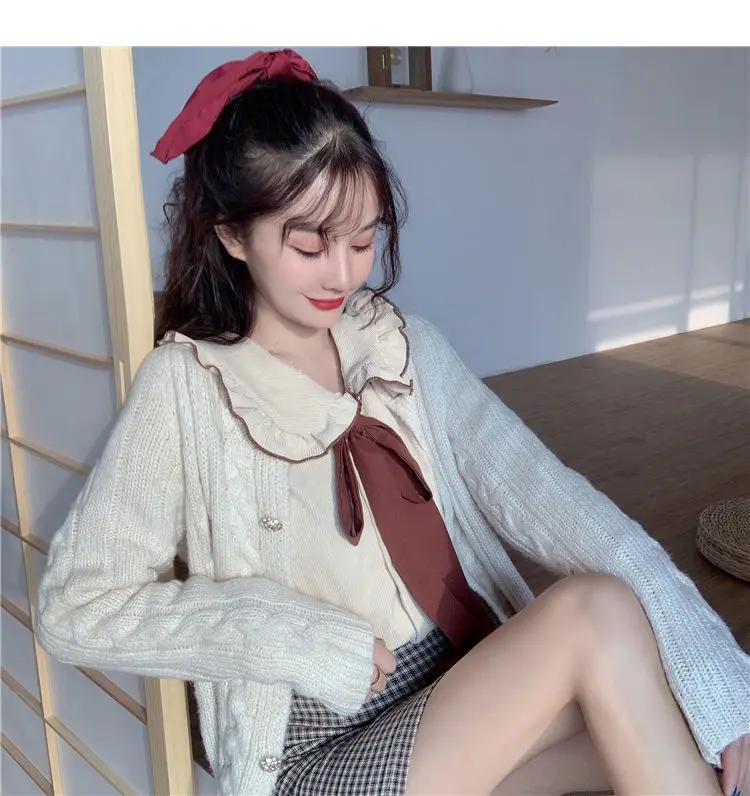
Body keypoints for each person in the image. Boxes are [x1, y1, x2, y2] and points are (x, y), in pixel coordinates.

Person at [36, 49, 749, 796]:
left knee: (676, 723)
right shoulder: (186, 389)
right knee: (595, 620)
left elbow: (550, 497)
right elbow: (77, 608)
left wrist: (715, 669)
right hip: (319, 751)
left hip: (455, 687)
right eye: (308, 245)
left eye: (363, 241)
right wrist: (295, 634)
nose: (343, 274)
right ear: (233, 235)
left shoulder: (401, 347)